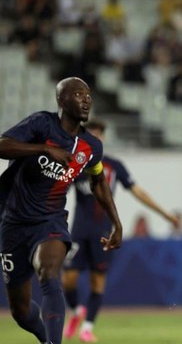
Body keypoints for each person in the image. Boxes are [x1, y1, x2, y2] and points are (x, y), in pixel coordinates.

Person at [0, 77, 122, 344]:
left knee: (49, 271)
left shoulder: (91, 147)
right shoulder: (41, 124)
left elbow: (98, 181)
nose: (87, 99)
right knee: (20, 312)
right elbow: (2, 145)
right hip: (13, 222)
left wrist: (117, 223)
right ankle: (45, 338)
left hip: (51, 221)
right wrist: (43, 148)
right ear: (62, 100)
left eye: (88, 94)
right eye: (79, 94)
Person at [61, 119, 180, 342]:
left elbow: (137, 191)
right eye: (91, 134)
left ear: (103, 138)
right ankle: (77, 311)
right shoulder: (77, 165)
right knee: (68, 280)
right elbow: (59, 191)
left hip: (104, 231)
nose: (95, 138)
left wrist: (164, 214)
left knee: (98, 281)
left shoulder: (114, 166)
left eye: (99, 134)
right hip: (78, 230)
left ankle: (87, 328)